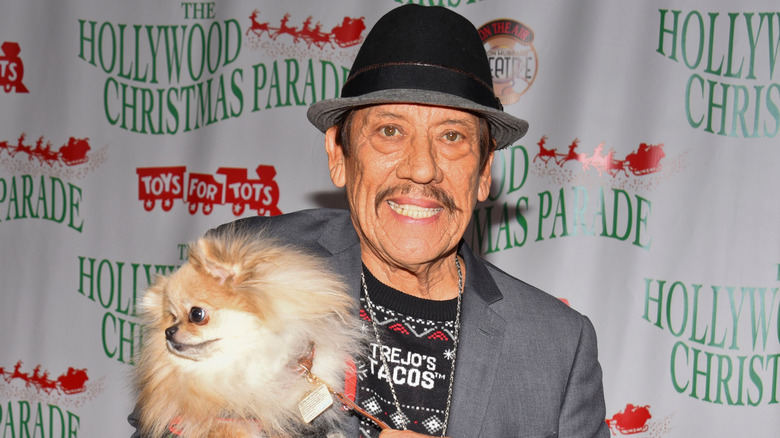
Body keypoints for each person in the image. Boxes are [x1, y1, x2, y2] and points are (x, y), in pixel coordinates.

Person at [130, 4, 608, 437]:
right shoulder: (245, 268)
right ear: (338, 154)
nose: (421, 168)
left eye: (452, 136)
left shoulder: (557, 345)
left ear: (483, 173)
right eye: (389, 130)